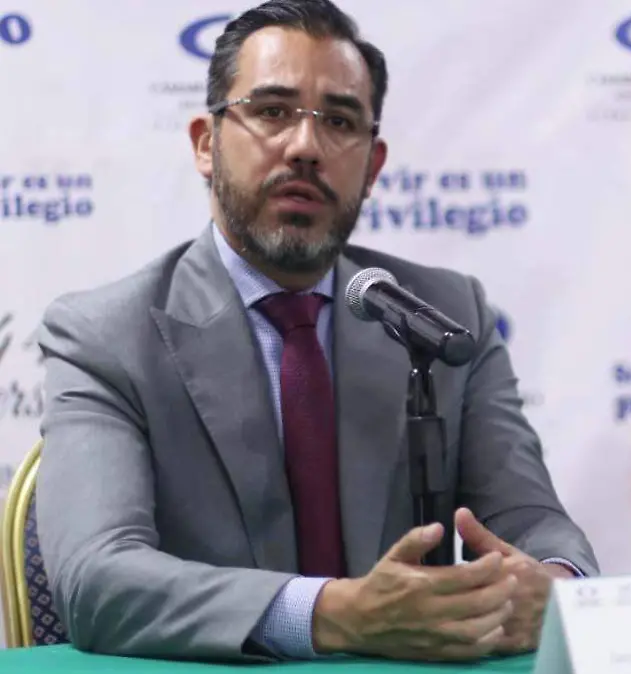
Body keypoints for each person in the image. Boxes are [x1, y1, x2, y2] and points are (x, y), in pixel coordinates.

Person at [34, 0, 597, 663]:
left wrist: (555, 586)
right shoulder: (106, 337)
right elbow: (98, 579)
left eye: (339, 121)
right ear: (206, 144)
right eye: (273, 111)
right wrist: (336, 614)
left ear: (373, 166)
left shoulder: (445, 316)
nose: (305, 146)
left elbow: (530, 516)